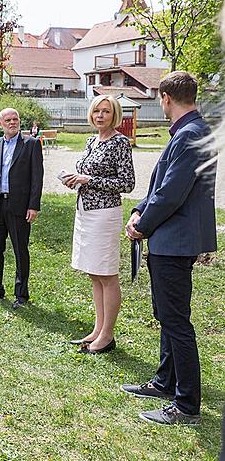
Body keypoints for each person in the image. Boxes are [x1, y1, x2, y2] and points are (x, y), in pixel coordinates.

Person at [121, 71, 216, 426]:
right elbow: (162, 186)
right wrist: (139, 208)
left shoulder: (191, 135)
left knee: (176, 322)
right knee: (168, 315)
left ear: (165, 98)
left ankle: (186, 404)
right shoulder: (191, 131)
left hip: (174, 241)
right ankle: (164, 382)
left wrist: (141, 225)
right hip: (169, 238)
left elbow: (172, 193)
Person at [61, 95, 134, 354]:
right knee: (94, 273)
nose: (100, 116)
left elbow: (127, 183)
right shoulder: (92, 140)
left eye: (106, 111)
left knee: (107, 273)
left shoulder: (120, 143)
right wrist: (76, 180)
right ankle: (98, 328)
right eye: (96, 111)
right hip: (85, 212)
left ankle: (107, 336)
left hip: (105, 214)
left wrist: (89, 180)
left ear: (114, 115)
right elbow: (88, 175)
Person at [0, 107, 43, 309]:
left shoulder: (31, 144)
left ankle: (21, 295)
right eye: (8, 120)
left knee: (20, 251)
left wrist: (33, 206)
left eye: (15, 119)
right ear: (1, 124)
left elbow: (37, 178)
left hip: (19, 207)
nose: (12, 122)